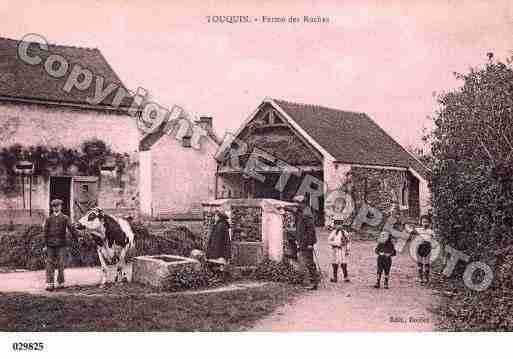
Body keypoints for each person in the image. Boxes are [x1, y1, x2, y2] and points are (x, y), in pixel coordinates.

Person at [43, 198, 79, 291]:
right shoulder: (48, 219)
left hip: (61, 244)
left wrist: (77, 238)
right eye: (54, 206)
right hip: (50, 245)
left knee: (61, 263)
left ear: (61, 207)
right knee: (49, 264)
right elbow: (45, 233)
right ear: (52, 208)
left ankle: (60, 282)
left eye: (57, 206)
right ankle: (49, 283)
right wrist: (45, 245)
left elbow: (72, 229)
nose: (55, 208)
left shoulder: (65, 218)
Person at [293, 195, 319, 290]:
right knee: (307, 261)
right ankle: (312, 281)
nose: (295, 205)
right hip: (303, 241)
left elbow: (311, 230)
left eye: (296, 203)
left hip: (306, 242)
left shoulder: (306, 213)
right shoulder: (302, 211)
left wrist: (310, 243)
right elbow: (294, 211)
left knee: (309, 262)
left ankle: (314, 282)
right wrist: (284, 208)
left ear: (301, 203)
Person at [412, 215, 434, 284]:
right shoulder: (418, 230)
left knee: (427, 263)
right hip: (419, 247)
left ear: (429, 223)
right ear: (421, 222)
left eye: (427, 222)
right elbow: (412, 234)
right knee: (420, 263)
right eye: (424, 222)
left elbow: (433, 239)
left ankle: (427, 277)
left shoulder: (431, 231)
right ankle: (420, 277)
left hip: (427, 247)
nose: (425, 223)